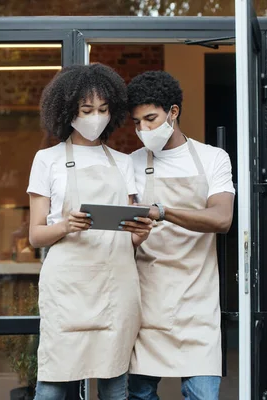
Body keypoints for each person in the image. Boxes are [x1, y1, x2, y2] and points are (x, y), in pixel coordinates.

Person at [27, 63, 153, 400]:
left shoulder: (123, 162)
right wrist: (66, 225)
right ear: (68, 111)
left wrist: (140, 233)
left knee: (114, 384)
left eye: (102, 109)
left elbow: (130, 234)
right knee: (53, 384)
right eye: (86, 110)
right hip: (68, 289)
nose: (95, 117)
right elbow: (36, 236)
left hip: (116, 285)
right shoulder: (47, 160)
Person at [126, 71, 235, 400]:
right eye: (136, 123)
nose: (143, 130)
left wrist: (163, 211)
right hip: (146, 300)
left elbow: (221, 218)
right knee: (140, 395)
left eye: (150, 118)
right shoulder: (129, 163)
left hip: (196, 302)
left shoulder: (213, 158)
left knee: (202, 395)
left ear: (173, 112)